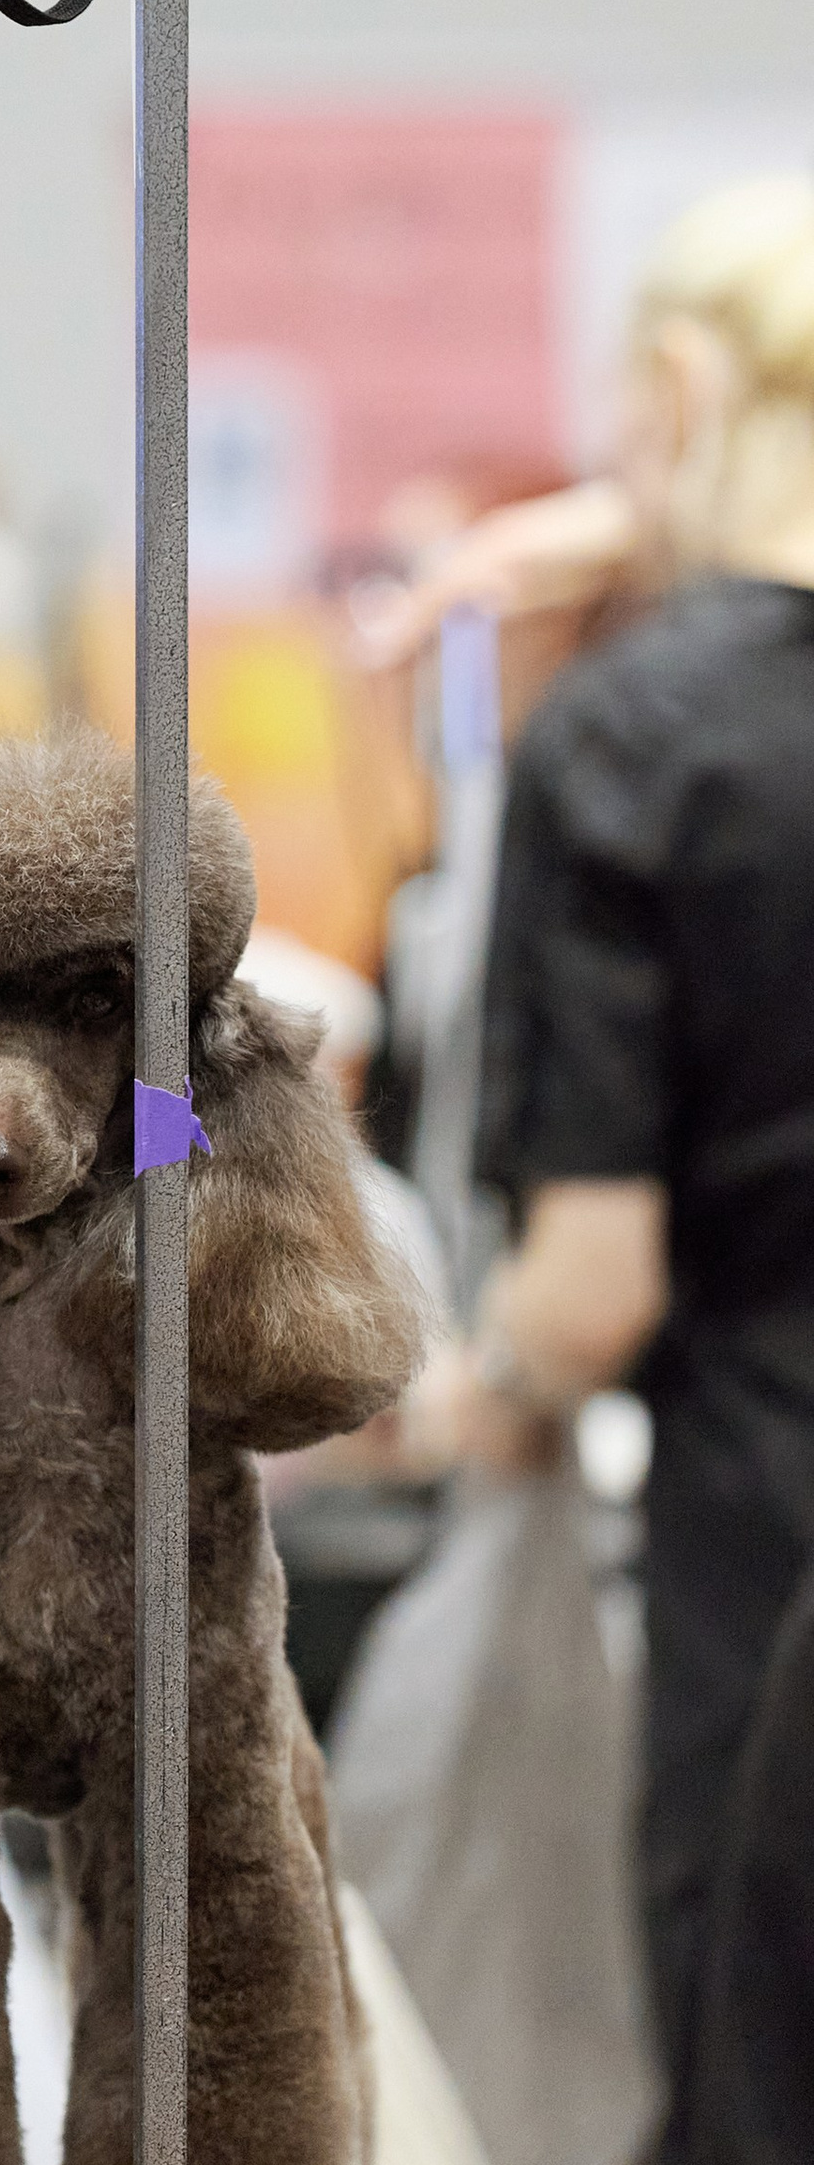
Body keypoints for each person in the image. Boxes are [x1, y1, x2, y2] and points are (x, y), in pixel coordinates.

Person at [453, 175, 814, 2163]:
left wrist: (468, 1394)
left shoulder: (638, 740)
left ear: (672, 386)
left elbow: (588, 1293)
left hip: (767, 1561)